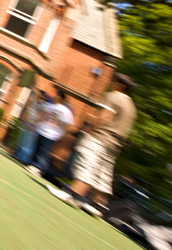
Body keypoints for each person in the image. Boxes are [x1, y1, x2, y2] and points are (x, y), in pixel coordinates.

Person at [47, 73, 137, 217]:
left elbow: (104, 116)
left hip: (100, 138)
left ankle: (74, 195)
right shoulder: (132, 107)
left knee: (86, 164)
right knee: (104, 173)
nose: (112, 82)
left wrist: (89, 130)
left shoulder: (113, 96)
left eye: (115, 81)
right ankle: (97, 206)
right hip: (115, 144)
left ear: (122, 85)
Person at [25, 87, 74, 176]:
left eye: (56, 94)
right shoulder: (49, 106)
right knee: (37, 148)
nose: (54, 96)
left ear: (60, 97)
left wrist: (63, 135)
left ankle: (38, 168)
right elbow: (42, 117)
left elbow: (66, 124)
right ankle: (33, 165)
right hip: (42, 130)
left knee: (43, 151)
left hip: (51, 134)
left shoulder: (64, 110)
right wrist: (36, 125)